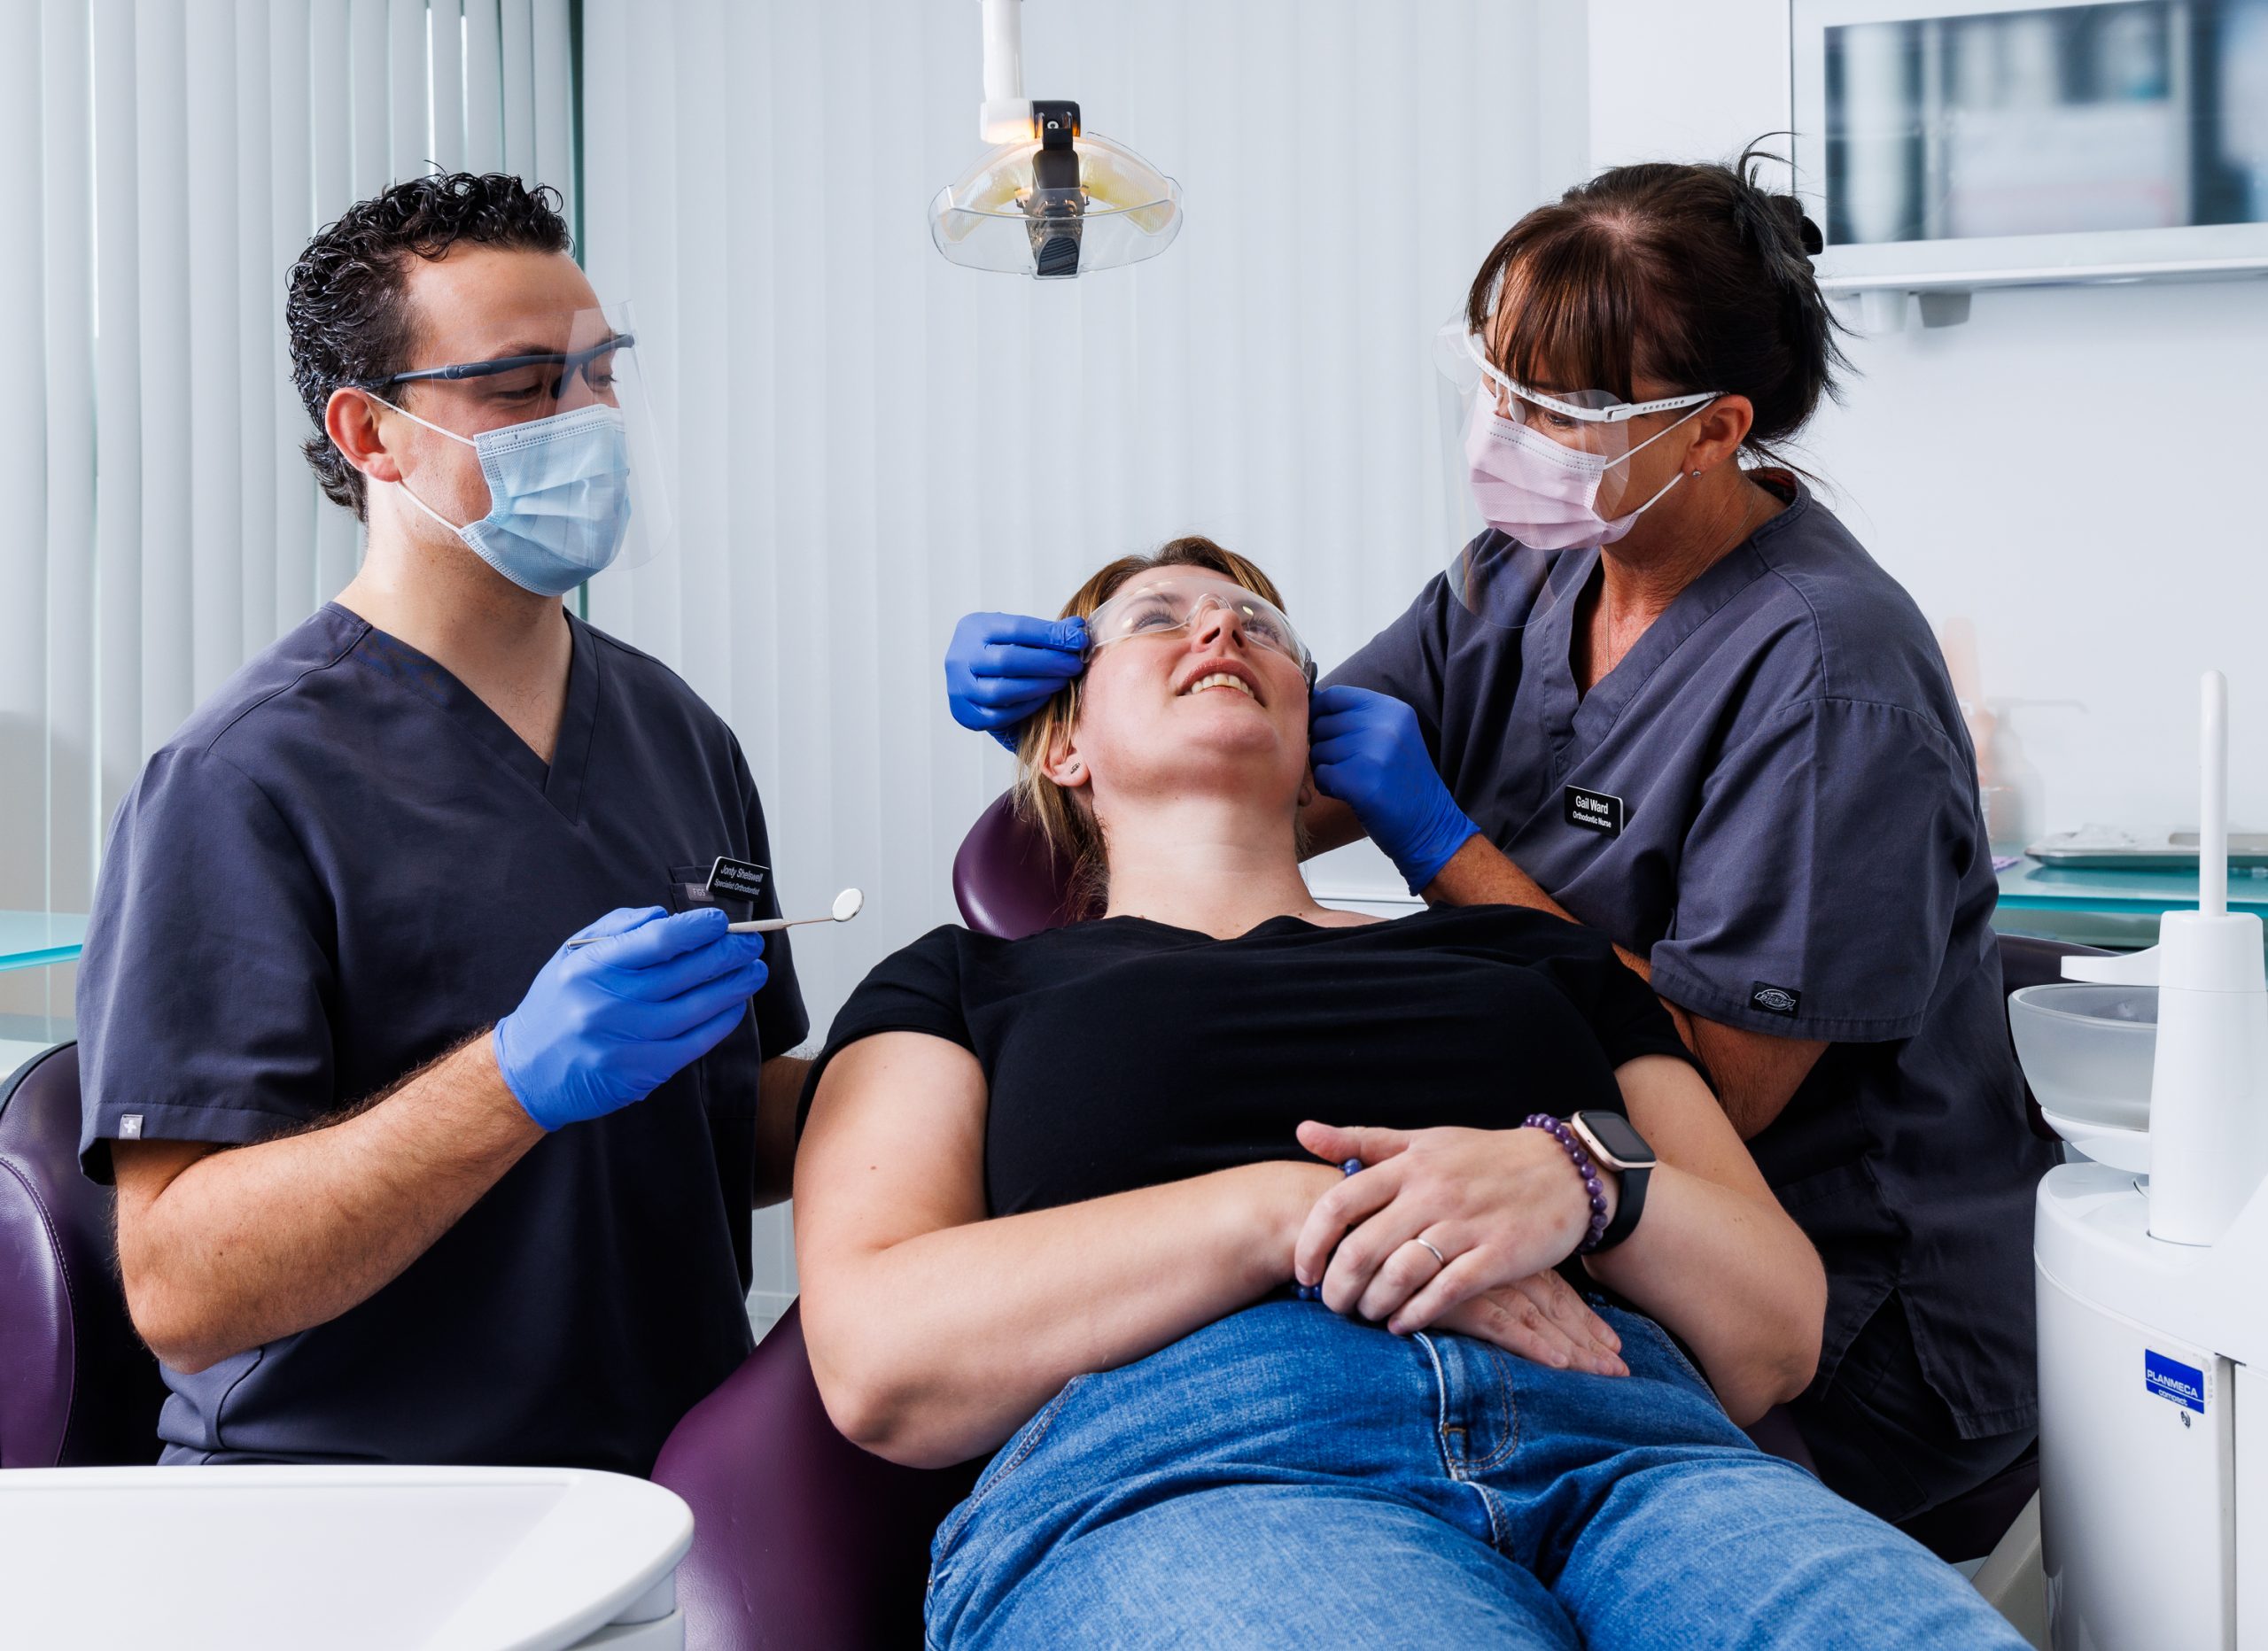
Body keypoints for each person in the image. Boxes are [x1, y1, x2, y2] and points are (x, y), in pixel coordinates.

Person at [939, 153, 2057, 1523]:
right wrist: (1082, 710)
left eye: (1561, 408)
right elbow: (1273, 778)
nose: (1507, 428)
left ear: (1713, 432)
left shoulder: (1830, 679)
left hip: (1828, 1317)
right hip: (1487, 1294)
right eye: (1497, 381)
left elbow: (1724, 1092)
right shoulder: (1526, 568)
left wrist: (1440, 844)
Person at [803, 539, 2025, 1647]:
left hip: (1640, 1461)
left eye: (1260, 627)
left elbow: (1775, 1334)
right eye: (1158, 620)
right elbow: (879, 1361)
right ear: (1064, 745)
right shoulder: (963, 984)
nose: (1222, 634)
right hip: (1201, 1473)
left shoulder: (1528, 955)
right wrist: (1288, 1214)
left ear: (1315, 733)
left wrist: (1584, 1181)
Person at [76, 172, 807, 1474]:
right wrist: (512, 1077)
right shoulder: (243, 783)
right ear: (370, 433)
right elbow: (185, 1288)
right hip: (357, 1509)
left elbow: (736, 1128)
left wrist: (992, 1031)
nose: (584, 419)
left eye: (599, 375)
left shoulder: (676, 730)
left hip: (666, 1484)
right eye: (525, 388)